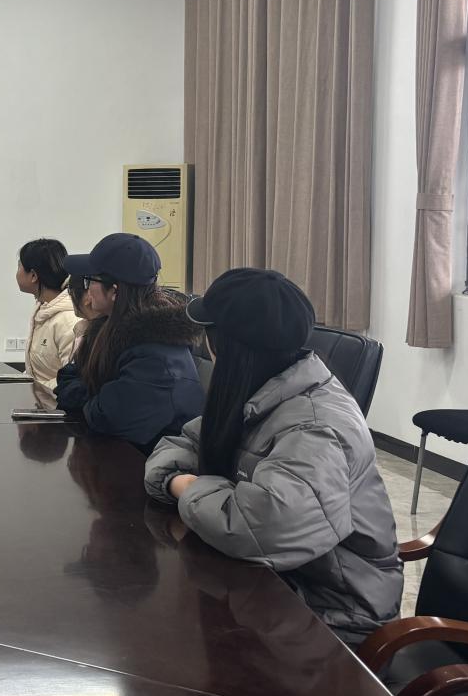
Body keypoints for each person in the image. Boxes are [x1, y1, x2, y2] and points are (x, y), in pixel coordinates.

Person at [144, 268, 402, 644]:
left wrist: (184, 486)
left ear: (222, 345)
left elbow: (260, 528)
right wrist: (179, 480)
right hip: (271, 584)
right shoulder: (259, 393)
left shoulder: (317, 427)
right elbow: (176, 448)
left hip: (332, 614)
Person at [54, 233, 202, 451]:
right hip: (117, 452)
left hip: (149, 463)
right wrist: (93, 395)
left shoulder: (157, 352)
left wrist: (87, 394)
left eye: (90, 281)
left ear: (114, 291)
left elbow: (109, 416)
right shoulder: (107, 329)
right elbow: (68, 376)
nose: (86, 289)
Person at [16, 238, 82, 392]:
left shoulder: (68, 321)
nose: (17, 272)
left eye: (19, 266)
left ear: (33, 276)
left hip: (57, 404)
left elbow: (72, 381)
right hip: (40, 400)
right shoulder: (43, 308)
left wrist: (32, 388)